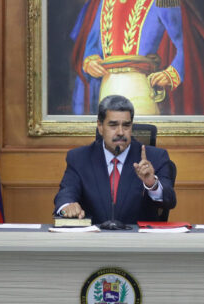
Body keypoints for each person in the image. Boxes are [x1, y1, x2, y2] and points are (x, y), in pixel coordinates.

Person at [70, 0, 204, 116]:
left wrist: (172, 73)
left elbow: (185, 45)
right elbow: (91, 45)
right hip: (107, 87)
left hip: (141, 88)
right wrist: (90, 61)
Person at [54, 95, 176, 224]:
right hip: (94, 238)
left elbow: (170, 201)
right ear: (100, 126)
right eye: (113, 125)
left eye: (126, 126)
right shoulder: (79, 158)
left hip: (138, 239)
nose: (121, 132)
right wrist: (66, 207)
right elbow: (65, 194)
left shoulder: (155, 157)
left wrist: (152, 184)